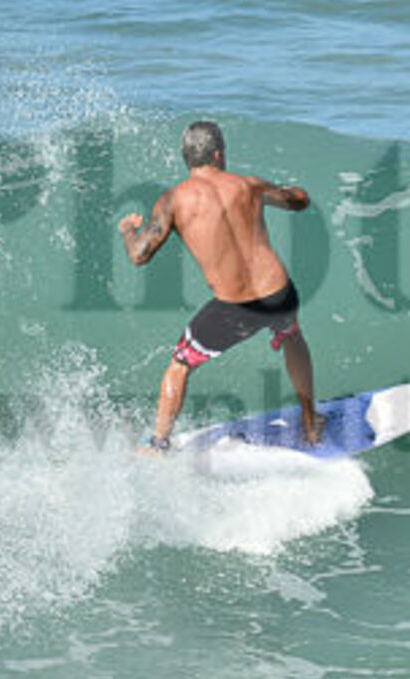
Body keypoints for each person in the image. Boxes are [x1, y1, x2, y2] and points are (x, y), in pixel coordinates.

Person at [120, 121, 321, 450]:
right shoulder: (249, 185)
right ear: (218, 154)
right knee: (292, 336)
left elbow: (139, 255)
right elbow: (298, 201)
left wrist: (128, 230)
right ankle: (311, 422)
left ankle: (158, 445)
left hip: (235, 309)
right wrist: (296, 190)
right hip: (279, 294)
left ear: (187, 158)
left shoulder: (173, 201)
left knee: (180, 364)